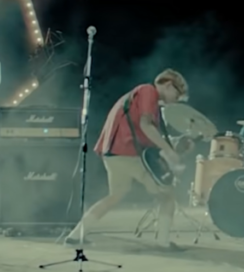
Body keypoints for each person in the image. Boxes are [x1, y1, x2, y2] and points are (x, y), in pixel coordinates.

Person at [64, 69, 190, 248]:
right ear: (169, 85)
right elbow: (146, 126)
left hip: (113, 153)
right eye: (177, 95)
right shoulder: (148, 91)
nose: (176, 100)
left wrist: (174, 146)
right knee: (167, 195)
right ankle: (163, 242)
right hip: (128, 153)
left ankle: (75, 235)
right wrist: (169, 151)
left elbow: (147, 135)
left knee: (115, 196)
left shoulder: (142, 96)